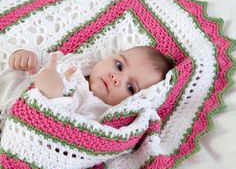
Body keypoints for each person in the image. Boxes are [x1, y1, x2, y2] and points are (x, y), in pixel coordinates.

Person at [1, 46, 172, 123]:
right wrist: (26, 56)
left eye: (130, 87)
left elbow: (60, 126)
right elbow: (47, 57)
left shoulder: (96, 112)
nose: (116, 78)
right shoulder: (82, 63)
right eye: (119, 65)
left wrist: (53, 96)